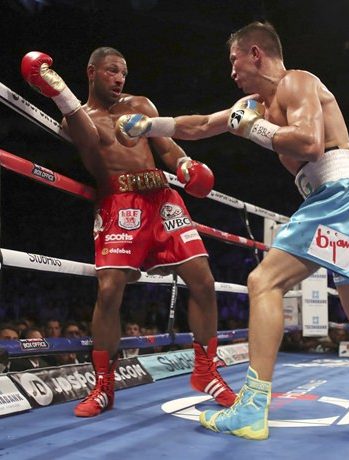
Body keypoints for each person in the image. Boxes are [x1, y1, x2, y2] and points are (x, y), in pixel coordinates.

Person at [114, 22, 349, 440]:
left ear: (256, 54)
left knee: (263, 281)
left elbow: (310, 144)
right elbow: (204, 123)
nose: (232, 72)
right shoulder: (254, 103)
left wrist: (254, 128)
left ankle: (252, 407)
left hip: (340, 192)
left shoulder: (296, 82)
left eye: (235, 61)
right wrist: (150, 126)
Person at [20, 47, 236, 417]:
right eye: (111, 71)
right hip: (118, 204)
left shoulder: (140, 105)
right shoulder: (76, 120)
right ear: (91, 72)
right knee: (109, 290)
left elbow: (167, 146)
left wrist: (185, 165)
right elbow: (88, 143)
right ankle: (104, 384)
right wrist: (60, 94)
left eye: (123, 72)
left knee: (203, 280)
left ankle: (206, 370)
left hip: (163, 199)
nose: (119, 79)